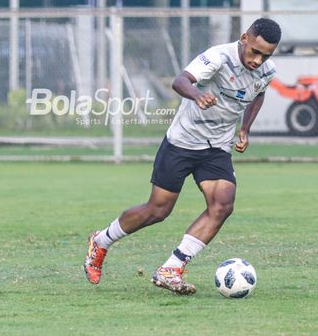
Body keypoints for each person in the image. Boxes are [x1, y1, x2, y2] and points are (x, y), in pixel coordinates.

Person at [84, 18, 281, 295]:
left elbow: (258, 94)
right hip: (183, 142)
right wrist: (197, 94)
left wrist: (245, 128)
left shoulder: (266, 71)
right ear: (244, 38)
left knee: (223, 204)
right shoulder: (218, 57)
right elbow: (181, 81)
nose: (258, 60)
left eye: (266, 55)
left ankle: (171, 268)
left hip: (216, 148)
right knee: (158, 210)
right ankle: (102, 241)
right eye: (255, 52)